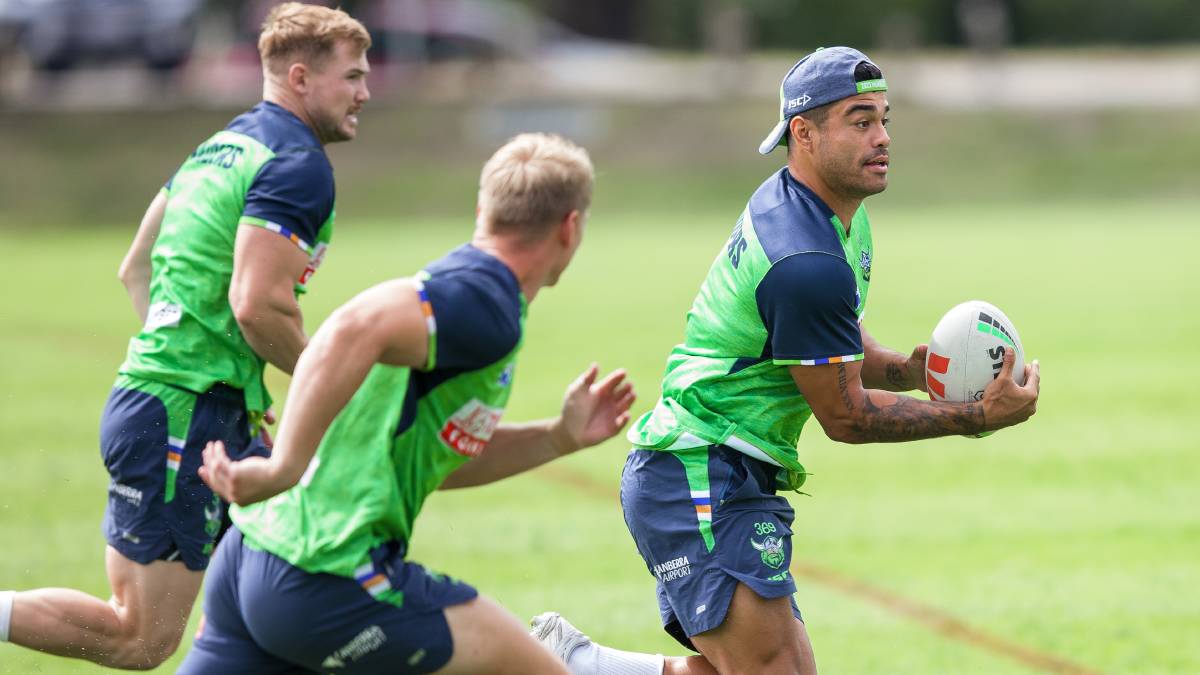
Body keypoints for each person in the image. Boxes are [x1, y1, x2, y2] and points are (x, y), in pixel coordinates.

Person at [532, 46, 1042, 675]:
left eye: (885, 119)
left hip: (723, 466)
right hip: (698, 469)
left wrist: (908, 370)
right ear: (804, 133)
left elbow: (832, 347)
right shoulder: (805, 259)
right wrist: (973, 416)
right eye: (861, 121)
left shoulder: (830, 217)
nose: (883, 138)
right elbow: (846, 416)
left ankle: (577, 664)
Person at [176, 132, 635, 674]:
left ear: (482, 208)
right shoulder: (485, 298)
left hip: (256, 555)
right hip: (328, 573)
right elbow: (353, 325)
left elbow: (436, 460)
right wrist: (285, 465)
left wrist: (557, 437)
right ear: (570, 227)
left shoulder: (468, 292)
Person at [0, 3, 371, 669]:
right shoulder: (296, 163)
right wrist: (331, 386)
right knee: (138, 636)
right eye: (353, 76)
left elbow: (133, 268)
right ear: (300, 77)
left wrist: (205, 368)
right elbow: (259, 305)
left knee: (302, 579)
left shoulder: (218, 148)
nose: (366, 92)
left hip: (185, 404)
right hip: (184, 416)